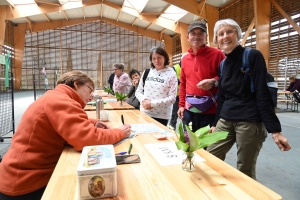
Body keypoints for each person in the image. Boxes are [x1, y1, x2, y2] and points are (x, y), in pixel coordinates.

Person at [0, 71, 131, 199]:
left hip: (23, 175)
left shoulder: (55, 97)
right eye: (89, 90)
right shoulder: (60, 101)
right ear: (76, 84)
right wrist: (120, 132)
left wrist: (93, 122)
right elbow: (88, 139)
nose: (91, 96)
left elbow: (67, 121)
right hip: (25, 182)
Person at [206, 18, 291, 180]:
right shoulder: (223, 65)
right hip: (226, 119)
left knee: (244, 169)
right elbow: (222, 97)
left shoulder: (252, 56)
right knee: (210, 156)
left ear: (237, 35)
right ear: (217, 40)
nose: (225, 36)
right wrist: (215, 124)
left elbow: (262, 93)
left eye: (229, 32)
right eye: (221, 34)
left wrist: (275, 130)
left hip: (249, 122)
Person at [177, 20, 225, 132]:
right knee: (188, 142)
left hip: (210, 110)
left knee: (206, 146)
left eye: (200, 33)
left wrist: (214, 81)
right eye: (193, 33)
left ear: (206, 36)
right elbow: (183, 83)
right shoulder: (184, 58)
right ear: (187, 37)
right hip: (189, 109)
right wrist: (181, 105)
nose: (196, 36)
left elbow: (226, 78)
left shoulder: (218, 54)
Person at [135, 47, 177, 126]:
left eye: (159, 58)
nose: (156, 61)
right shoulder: (147, 72)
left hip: (161, 116)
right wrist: (144, 101)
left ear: (165, 57)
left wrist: (152, 104)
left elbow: (172, 98)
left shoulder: (171, 74)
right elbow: (138, 91)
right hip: (145, 112)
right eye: (154, 58)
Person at [168, 61, 181, 130]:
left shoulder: (187, 66)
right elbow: (172, 79)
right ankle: (172, 128)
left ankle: (186, 132)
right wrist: (181, 81)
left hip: (185, 96)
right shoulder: (175, 68)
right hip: (176, 95)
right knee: (174, 114)